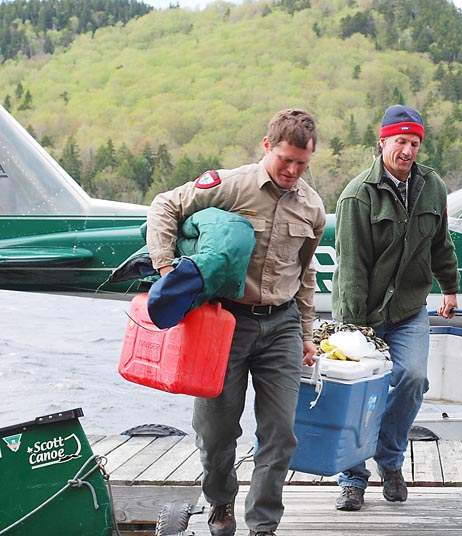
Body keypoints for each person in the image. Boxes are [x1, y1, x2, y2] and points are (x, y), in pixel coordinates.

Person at [146, 108, 326, 536]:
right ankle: (220, 500)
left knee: (280, 433)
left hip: (281, 325)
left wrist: (304, 334)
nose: (293, 170)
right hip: (224, 324)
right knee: (216, 431)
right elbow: (165, 205)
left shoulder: (313, 207)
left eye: (302, 163)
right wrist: (167, 269)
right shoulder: (231, 186)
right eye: (286, 159)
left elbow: (305, 274)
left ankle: (263, 525)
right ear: (267, 147)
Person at [331, 104, 460, 511]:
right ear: (383, 142)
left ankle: (389, 461)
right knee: (358, 392)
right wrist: (353, 330)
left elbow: (441, 243)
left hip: (407, 309)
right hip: (362, 313)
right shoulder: (357, 196)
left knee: (412, 378)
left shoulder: (432, 187)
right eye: (400, 141)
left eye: (414, 143)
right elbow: (351, 267)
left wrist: (450, 287)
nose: (407, 150)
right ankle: (352, 478)